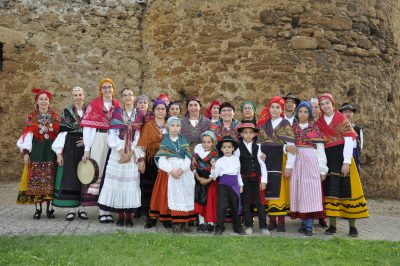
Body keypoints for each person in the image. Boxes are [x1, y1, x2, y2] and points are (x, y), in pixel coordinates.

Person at [317, 93, 368, 237]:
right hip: (328, 157)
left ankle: (353, 227)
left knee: (348, 191)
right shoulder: (320, 122)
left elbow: (349, 141)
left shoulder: (341, 118)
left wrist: (346, 162)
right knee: (331, 192)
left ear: (333, 104)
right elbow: (320, 145)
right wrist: (323, 165)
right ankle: (332, 225)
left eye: (327, 103)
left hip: (342, 156)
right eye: (322, 104)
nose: (325, 106)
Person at [97, 88, 145, 227]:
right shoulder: (116, 113)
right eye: (125, 95)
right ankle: (120, 215)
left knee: (130, 183)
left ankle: (129, 216)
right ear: (122, 98)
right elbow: (111, 133)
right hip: (118, 150)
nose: (128, 97)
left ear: (134, 97)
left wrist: (130, 153)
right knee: (117, 183)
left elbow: (139, 136)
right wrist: (120, 150)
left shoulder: (140, 115)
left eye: (130, 95)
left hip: (133, 151)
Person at [81, 78, 120, 223]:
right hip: (99, 139)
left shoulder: (117, 106)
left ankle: (108, 208)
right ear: (100, 90)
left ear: (113, 89)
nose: (107, 90)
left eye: (109, 87)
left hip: (114, 141)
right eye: (104, 87)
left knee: (111, 173)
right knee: (100, 171)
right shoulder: (94, 105)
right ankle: (102, 211)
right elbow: (88, 129)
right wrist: (87, 149)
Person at [17, 88, 60, 219]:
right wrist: (25, 153)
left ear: (49, 101)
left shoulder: (56, 117)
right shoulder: (32, 117)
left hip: (51, 152)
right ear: (37, 101)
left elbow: (60, 136)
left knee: (50, 180)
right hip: (36, 152)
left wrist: (60, 152)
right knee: (35, 180)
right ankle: (38, 209)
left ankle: (50, 209)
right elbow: (26, 136)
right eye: (40, 99)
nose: (43, 102)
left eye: (45, 99)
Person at [257, 96, 295, 232]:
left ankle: (281, 222)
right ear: (269, 108)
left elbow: (291, 146)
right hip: (265, 161)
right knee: (267, 190)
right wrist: (259, 155)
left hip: (280, 160)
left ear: (281, 109)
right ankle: (271, 221)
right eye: (272, 107)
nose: (274, 109)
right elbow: (258, 144)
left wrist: (289, 166)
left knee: (280, 191)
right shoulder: (263, 125)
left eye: (277, 107)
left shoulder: (285, 124)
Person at [290, 101, 328, 236]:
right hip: (297, 160)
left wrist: (323, 169)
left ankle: (309, 225)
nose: (302, 114)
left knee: (310, 192)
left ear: (310, 114)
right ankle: (303, 222)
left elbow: (320, 150)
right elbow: (288, 146)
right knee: (299, 191)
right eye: (300, 111)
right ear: (297, 113)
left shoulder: (314, 129)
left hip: (311, 160)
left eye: (306, 112)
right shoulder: (292, 128)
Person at [51, 87, 88, 221]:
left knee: (85, 176)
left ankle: (82, 209)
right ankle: (72, 209)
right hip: (71, 145)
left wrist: (87, 141)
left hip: (86, 146)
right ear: (72, 97)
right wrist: (59, 153)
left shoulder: (89, 111)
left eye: (80, 94)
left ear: (84, 96)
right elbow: (62, 133)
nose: (78, 97)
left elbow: (95, 129)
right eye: (75, 95)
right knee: (72, 176)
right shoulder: (66, 112)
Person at [154, 116, 196, 233]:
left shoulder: (183, 141)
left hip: (184, 171)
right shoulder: (165, 142)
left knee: (186, 195)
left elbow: (188, 158)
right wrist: (171, 171)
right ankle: (177, 223)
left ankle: (186, 223)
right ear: (168, 127)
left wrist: (182, 169)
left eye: (177, 126)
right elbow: (162, 160)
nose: (175, 128)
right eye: (172, 125)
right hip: (171, 172)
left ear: (180, 128)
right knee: (176, 196)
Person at [136, 99, 167, 227]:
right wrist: (141, 160)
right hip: (151, 160)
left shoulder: (171, 125)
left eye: (163, 109)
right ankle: (151, 217)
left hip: (167, 160)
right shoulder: (148, 125)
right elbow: (141, 145)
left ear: (166, 111)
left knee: (165, 189)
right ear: (153, 111)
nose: (160, 111)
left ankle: (165, 217)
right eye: (158, 109)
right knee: (151, 189)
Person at [235, 121, 269, 235]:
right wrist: (240, 183)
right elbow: (236, 166)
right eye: (245, 132)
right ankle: (248, 225)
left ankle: (263, 226)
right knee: (246, 202)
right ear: (241, 134)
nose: (248, 135)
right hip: (244, 178)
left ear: (255, 134)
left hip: (257, 178)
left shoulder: (258, 147)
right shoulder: (238, 148)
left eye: (250, 132)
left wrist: (264, 180)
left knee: (260, 203)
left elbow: (262, 164)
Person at [211, 136, 244, 235]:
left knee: (235, 206)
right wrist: (213, 167)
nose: (227, 149)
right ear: (221, 149)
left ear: (233, 148)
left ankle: (237, 227)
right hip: (223, 185)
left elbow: (238, 173)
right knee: (221, 207)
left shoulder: (236, 159)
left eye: (229, 147)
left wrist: (241, 185)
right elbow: (214, 176)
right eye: (224, 147)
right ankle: (219, 227)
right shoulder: (219, 161)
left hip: (234, 185)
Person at [192, 131, 219, 232]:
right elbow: (193, 166)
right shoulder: (197, 153)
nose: (206, 144)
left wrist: (208, 180)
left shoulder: (215, 154)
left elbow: (216, 170)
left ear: (213, 143)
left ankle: (210, 222)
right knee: (199, 200)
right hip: (198, 180)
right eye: (204, 142)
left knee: (209, 202)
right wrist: (198, 178)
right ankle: (201, 222)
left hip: (210, 181)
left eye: (208, 142)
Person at [339, 102, 363, 174]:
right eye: (345, 112)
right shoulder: (338, 128)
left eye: (350, 112)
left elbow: (360, 145)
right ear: (341, 113)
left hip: (354, 154)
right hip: (341, 153)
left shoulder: (358, 129)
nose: (348, 114)